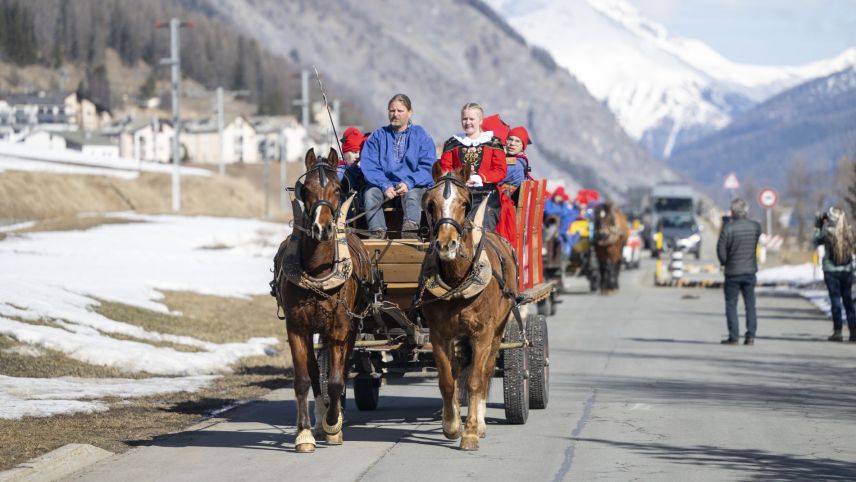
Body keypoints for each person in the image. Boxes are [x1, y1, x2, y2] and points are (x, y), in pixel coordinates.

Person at [360, 94, 436, 239]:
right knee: (370, 194)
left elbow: (428, 166)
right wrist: (385, 185)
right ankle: (377, 232)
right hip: (384, 187)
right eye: (392, 110)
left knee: (412, 195)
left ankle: (410, 232)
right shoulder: (378, 136)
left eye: (400, 111)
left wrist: (409, 183)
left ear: (410, 112)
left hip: (414, 185)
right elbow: (369, 165)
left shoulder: (421, 135)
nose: (395, 114)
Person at [440, 102, 517, 246]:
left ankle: (484, 257)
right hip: (459, 194)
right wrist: (459, 180)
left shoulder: (493, 142)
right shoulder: (452, 143)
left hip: (486, 193)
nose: (467, 122)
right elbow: (446, 168)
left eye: (471, 119)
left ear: (480, 121)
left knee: (483, 228)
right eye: (464, 119)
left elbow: (500, 170)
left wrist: (480, 178)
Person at [716, 197, 762, 345]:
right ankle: (751, 336)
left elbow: (720, 249)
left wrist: (725, 262)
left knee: (731, 304)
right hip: (750, 272)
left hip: (732, 272)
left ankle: (734, 336)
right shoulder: (756, 227)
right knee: (750, 304)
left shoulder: (728, 228)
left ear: (733, 211)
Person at [814, 207, 856, 342]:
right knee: (848, 301)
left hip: (831, 270)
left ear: (831, 218)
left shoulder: (827, 232)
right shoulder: (850, 231)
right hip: (847, 270)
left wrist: (818, 225)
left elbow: (816, 240)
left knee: (835, 300)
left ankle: (838, 332)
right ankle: (853, 331)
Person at [501, 126, 533, 199]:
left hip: (502, 204)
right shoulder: (520, 161)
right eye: (510, 139)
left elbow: (493, 178)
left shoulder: (516, 164)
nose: (512, 143)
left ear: (522, 147)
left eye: (517, 141)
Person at [338, 127, 367, 195]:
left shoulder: (362, 170)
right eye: (354, 152)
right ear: (344, 153)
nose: (358, 156)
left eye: (360, 153)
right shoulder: (340, 173)